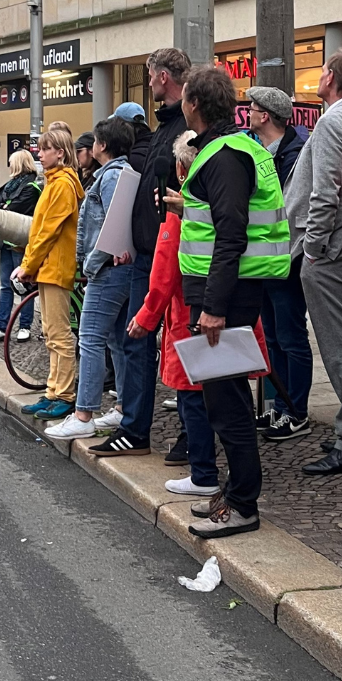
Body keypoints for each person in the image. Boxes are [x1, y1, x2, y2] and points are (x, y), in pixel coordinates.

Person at [177, 65, 290, 539]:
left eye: (184, 96)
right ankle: (234, 490)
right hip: (229, 288)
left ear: (195, 104)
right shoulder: (237, 147)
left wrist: (215, 306)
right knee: (226, 396)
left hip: (224, 293)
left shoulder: (224, 154)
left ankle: (244, 502)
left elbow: (230, 234)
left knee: (228, 402)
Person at [129, 130, 274, 493]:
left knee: (197, 401)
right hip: (220, 311)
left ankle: (205, 474)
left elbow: (164, 276)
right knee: (226, 400)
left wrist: (145, 318)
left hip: (192, 320)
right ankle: (223, 478)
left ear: (182, 170)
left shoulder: (182, 217)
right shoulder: (215, 198)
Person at [107, 48, 193, 459]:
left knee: (179, 343)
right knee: (137, 341)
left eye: (149, 76)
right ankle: (135, 427)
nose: (149, 83)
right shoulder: (164, 128)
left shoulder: (185, 129)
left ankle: (191, 433)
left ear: (161, 77)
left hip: (173, 251)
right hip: (147, 250)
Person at [289, 49, 342, 476]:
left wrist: (314, 249)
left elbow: (324, 195)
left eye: (321, 70)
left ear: (332, 79)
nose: (317, 76)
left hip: (331, 249)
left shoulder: (331, 122)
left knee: (341, 348)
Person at [43, 118, 138, 443]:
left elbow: (112, 224)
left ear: (102, 146)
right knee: (115, 341)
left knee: (90, 339)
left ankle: (84, 413)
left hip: (107, 271)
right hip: (118, 270)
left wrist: (93, 263)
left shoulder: (110, 176)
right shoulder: (122, 173)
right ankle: (123, 406)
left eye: (95, 141)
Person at [246, 85, 311, 441]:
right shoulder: (263, 150)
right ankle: (282, 406)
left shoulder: (294, 154)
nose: (249, 114)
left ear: (265, 115)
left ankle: (296, 410)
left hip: (286, 257)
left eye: (253, 109)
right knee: (272, 337)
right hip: (264, 257)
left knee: (290, 337)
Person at [15, 129, 84, 420]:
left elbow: (45, 232)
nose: (39, 154)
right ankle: (54, 392)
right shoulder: (55, 183)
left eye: (45, 149)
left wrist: (28, 265)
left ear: (61, 153)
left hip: (56, 267)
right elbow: (40, 231)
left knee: (58, 334)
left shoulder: (62, 185)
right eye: (39, 149)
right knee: (50, 333)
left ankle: (64, 395)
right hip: (49, 268)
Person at [0, 151, 43, 344]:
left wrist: (2, 207)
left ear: (18, 164)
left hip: (20, 243)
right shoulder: (11, 186)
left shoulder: (31, 187)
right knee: (5, 285)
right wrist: (2, 206)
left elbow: (11, 209)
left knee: (23, 285)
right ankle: (2, 326)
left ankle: (24, 326)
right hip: (5, 243)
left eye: (11, 163)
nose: (9, 166)